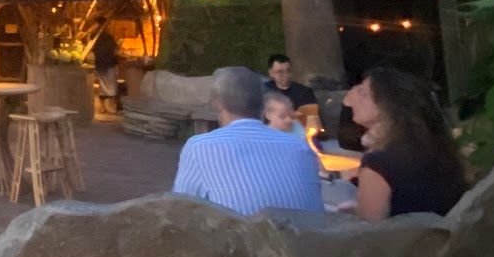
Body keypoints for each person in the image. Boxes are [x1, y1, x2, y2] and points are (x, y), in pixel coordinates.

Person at [171, 66, 324, 215]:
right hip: (304, 232)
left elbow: (180, 213)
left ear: (217, 103)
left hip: (243, 232)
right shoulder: (300, 147)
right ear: (263, 105)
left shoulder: (199, 148)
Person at [343, 65, 467, 219]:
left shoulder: (378, 164)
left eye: (363, 93)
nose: (352, 100)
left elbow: (369, 228)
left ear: (387, 105)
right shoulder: (437, 150)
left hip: (408, 235)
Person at [93, 30, 120, 114]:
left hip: (99, 64)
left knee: (103, 86)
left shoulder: (95, 38)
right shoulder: (109, 39)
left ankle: (103, 107)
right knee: (111, 87)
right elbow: (115, 51)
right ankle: (109, 106)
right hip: (108, 64)